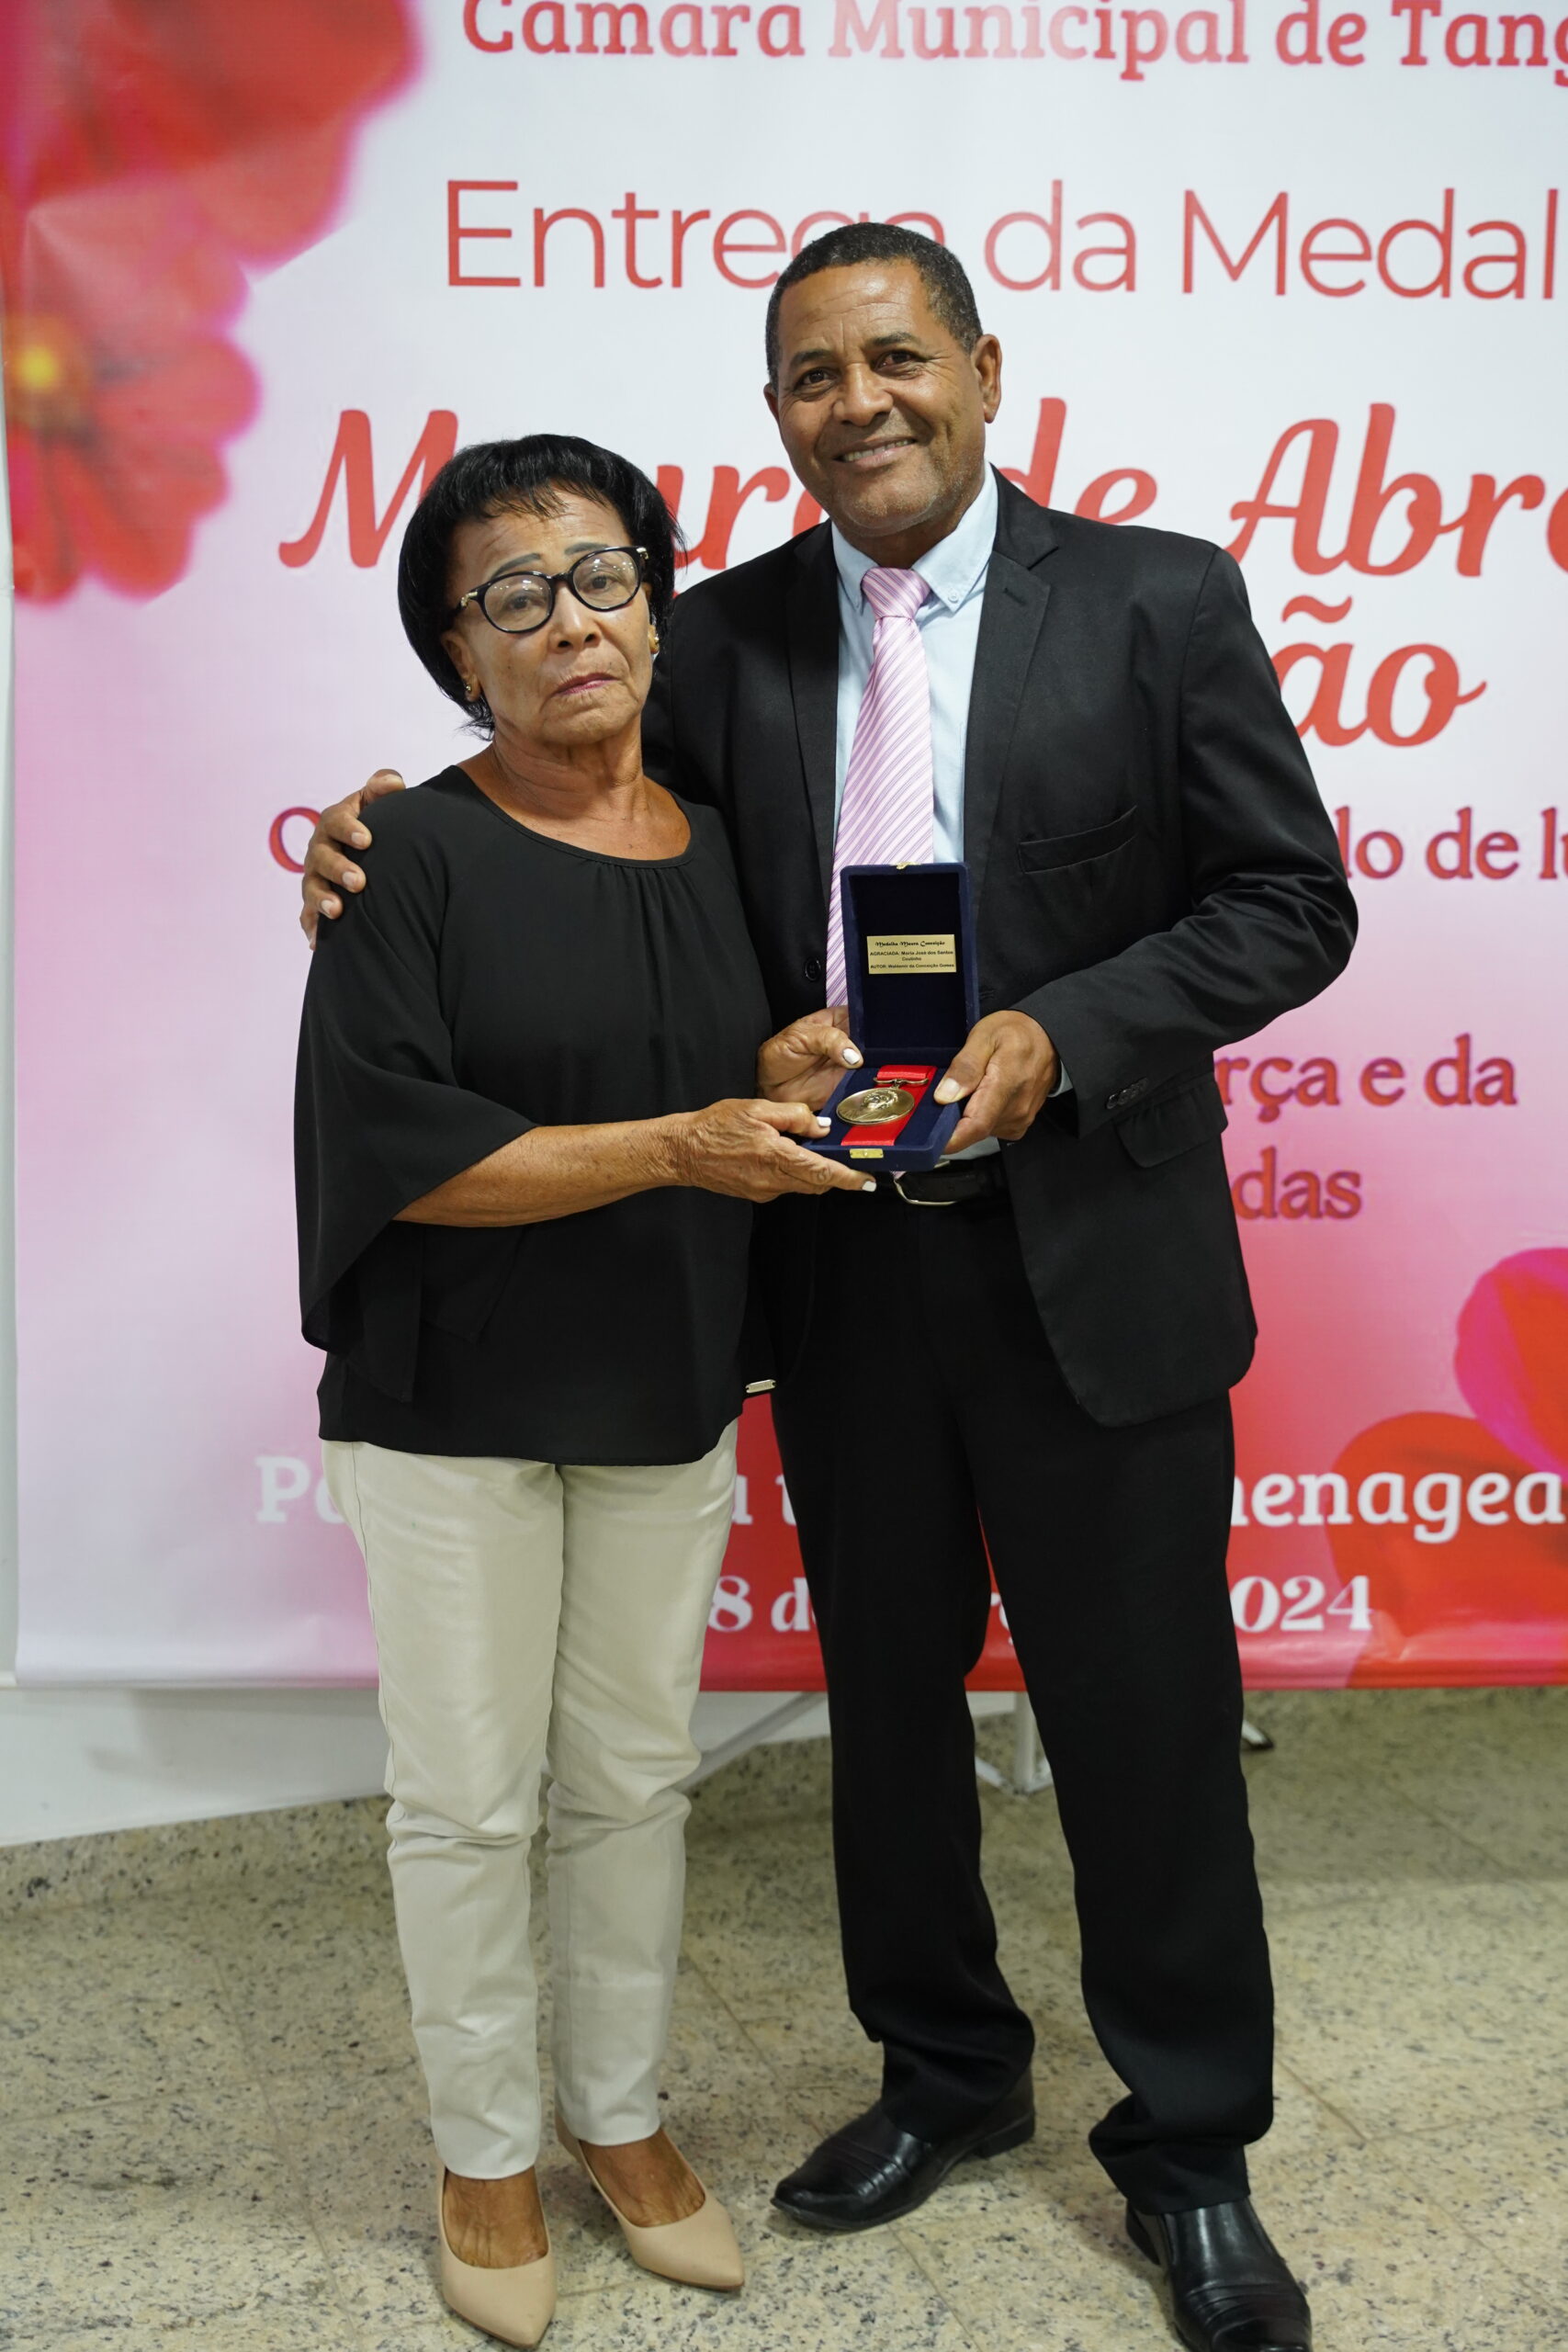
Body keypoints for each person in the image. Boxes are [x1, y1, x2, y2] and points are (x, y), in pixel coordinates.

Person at [300, 228, 1357, 2352]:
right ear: (773, 411)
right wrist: (368, 825)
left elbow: (1283, 900)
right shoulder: (719, 635)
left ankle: (1187, 2144)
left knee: (1143, 1717)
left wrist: (1065, 1026)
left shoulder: (1154, 600)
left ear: (980, 368)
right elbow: (575, 797)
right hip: (834, 1251)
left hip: (1096, 1255)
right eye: (809, 373)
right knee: (881, 1702)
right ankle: (944, 2073)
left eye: (894, 357)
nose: (857, 400)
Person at [295, 432, 871, 2348]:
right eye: (514, 595)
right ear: (459, 652)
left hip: (661, 1380)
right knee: (469, 1802)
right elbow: (408, 1159)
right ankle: (480, 2151)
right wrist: (682, 1144)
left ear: (655, 603)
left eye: (603, 575)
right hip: (448, 1402)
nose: (571, 621)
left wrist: (768, 1081)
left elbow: (708, 1075)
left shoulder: (717, 842)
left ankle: (615, 2115)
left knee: (632, 1779)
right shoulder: (404, 856)